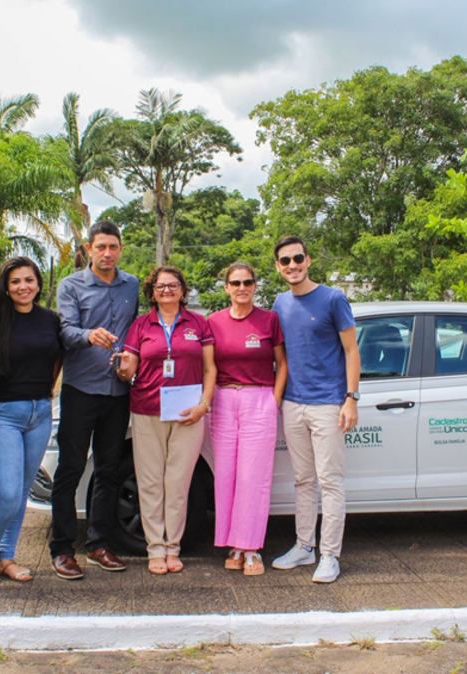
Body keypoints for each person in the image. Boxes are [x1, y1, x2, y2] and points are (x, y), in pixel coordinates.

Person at [49, 221, 139, 580]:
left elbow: (136, 331)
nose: (107, 253)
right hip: (81, 390)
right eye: (100, 246)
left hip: (118, 392)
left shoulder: (132, 284)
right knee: (70, 469)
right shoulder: (71, 285)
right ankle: (62, 548)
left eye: (113, 246)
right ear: (88, 249)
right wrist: (88, 335)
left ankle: (99, 544)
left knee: (108, 469)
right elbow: (65, 330)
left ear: (121, 248)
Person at [113, 266, 215, 575]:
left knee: (178, 483)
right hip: (147, 411)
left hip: (188, 414)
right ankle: (155, 548)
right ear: (152, 292)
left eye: (173, 285)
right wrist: (122, 369)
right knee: (150, 483)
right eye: (160, 286)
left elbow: (210, 369)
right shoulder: (141, 325)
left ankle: (173, 548)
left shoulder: (198, 323)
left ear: (183, 290)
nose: (167, 290)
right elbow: (129, 369)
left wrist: (204, 405)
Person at [270, 236, 360, 584]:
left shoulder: (333, 298)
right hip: (293, 403)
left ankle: (330, 555)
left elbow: (351, 351)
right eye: (285, 261)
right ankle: (304, 547)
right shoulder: (280, 303)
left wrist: (351, 398)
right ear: (278, 267)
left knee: (330, 481)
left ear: (308, 260)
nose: (292, 265)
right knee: (303, 480)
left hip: (328, 403)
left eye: (297, 258)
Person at [0, 257, 62, 585]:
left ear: (38, 284)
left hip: (39, 412)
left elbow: (56, 356)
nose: (23, 287)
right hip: (2, 414)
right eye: (15, 281)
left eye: (29, 280)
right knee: (6, 492)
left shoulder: (50, 319)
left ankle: (6, 556)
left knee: (23, 490)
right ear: (5, 286)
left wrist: (47, 390)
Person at [207, 262, 286, 576]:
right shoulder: (213, 321)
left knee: (253, 477)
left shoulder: (269, 320)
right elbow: (208, 366)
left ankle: (251, 548)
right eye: (236, 283)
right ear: (227, 287)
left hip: (259, 399)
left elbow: (282, 364)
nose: (242, 288)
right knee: (226, 475)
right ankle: (233, 545)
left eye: (248, 282)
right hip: (224, 400)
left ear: (255, 286)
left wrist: (273, 401)